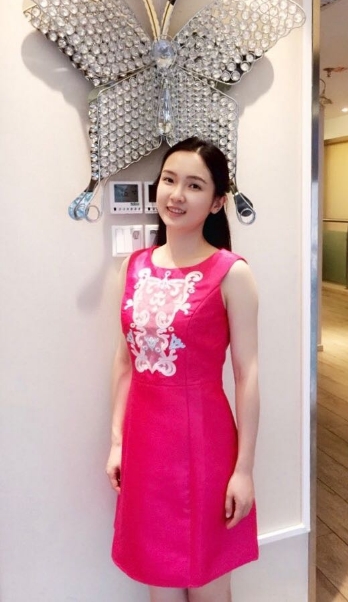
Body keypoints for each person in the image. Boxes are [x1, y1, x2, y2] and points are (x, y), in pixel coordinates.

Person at [106, 137, 260, 602]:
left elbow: (247, 373)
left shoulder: (232, 273)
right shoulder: (133, 267)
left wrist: (244, 470)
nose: (176, 194)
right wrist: (117, 441)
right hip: (145, 449)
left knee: (210, 583)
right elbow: (125, 362)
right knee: (160, 583)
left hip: (206, 447)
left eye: (194, 185)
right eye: (169, 180)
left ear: (216, 202)